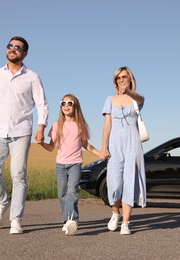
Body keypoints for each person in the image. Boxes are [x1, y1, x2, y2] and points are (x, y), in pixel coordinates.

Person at [0, 36, 49, 234]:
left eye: (18, 47)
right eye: (10, 46)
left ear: (25, 53)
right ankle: (2, 202)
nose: (13, 49)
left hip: (21, 132)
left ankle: (16, 220)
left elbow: (42, 104)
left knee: (18, 175)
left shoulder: (32, 77)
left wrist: (41, 126)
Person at [37, 94, 100, 236]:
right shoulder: (56, 125)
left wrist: (99, 153)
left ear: (75, 106)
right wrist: (41, 143)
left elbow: (86, 145)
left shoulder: (81, 125)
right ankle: (66, 221)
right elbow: (51, 147)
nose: (66, 106)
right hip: (60, 165)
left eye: (69, 103)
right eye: (63, 103)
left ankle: (73, 220)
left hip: (75, 165)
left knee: (72, 192)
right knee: (62, 194)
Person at [99, 66, 147, 235]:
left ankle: (126, 223)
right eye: (118, 78)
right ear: (115, 81)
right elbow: (107, 125)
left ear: (130, 79)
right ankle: (115, 213)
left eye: (124, 77)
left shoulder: (136, 99)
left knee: (129, 181)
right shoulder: (109, 100)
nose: (121, 80)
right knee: (114, 181)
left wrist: (128, 92)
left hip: (132, 144)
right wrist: (103, 146)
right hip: (114, 144)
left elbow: (141, 99)